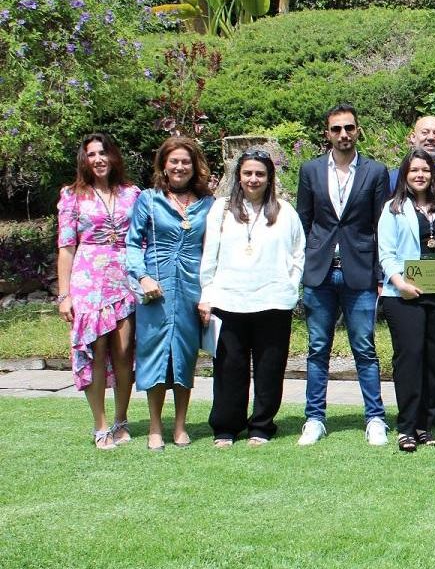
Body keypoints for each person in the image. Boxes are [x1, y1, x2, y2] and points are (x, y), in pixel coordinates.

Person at [295, 104, 391, 447]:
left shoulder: (376, 172)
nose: (343, 135)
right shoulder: (310, 170)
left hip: (360, 272)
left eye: (349, 128)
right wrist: (302, 266)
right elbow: (303, 223)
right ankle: (315, 418)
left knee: (364, 348)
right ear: (327, 133)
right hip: (320, 272)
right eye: (336, 129)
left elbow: (383, 226)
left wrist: (381, 273)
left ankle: (375, 418)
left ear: (357, 130)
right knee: (317, 348)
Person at [199, 150, 305, 448]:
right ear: (239, 176)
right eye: (248, 173)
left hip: (273, 301)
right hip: (229, 300)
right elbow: (209, 255)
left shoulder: (285, 211)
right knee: (230, 368)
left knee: (269, 368)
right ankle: (226, 427)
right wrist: (207, 294)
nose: (253, 179)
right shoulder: (221, 209)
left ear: (269, 177)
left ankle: (261, 425)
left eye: (260, 174)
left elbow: (299, 253)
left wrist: (290, 286)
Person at [126, 136, 214, 451]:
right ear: (164, 164)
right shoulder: (148, 200)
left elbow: (213, 250)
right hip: (156, 290)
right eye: (174, 161)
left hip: (191, 289)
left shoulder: (208, 204)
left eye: (185, 162)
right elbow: (133, 243)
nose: (179, 167)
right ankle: (154, 426)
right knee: (154, 357)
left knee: (185, 357)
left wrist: (210, 293)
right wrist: (143, 276)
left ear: (195, 166)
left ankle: (180, 425)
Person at [378, 149, 435, 452]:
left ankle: (424, 425)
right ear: (404, 174)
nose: (420, 175)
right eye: (414, 170)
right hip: (404, 296)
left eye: (426, 170)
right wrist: (400, 284)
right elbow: (386, 255)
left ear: (433, 174)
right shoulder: (393, 209)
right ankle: (406, 427)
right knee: (410, 358)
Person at [56, 134, 140, 450]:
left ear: (114, 156)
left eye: (103, 152)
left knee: (123, 351)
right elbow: (65, 248)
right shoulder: (72, 195)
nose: (98, 159)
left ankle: (121, 420)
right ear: (84, 160)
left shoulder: (132, 194)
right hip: (87, 280)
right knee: (95, 351)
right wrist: (64, 295)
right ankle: (100, 425)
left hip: (124, 278)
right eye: (91, 154)